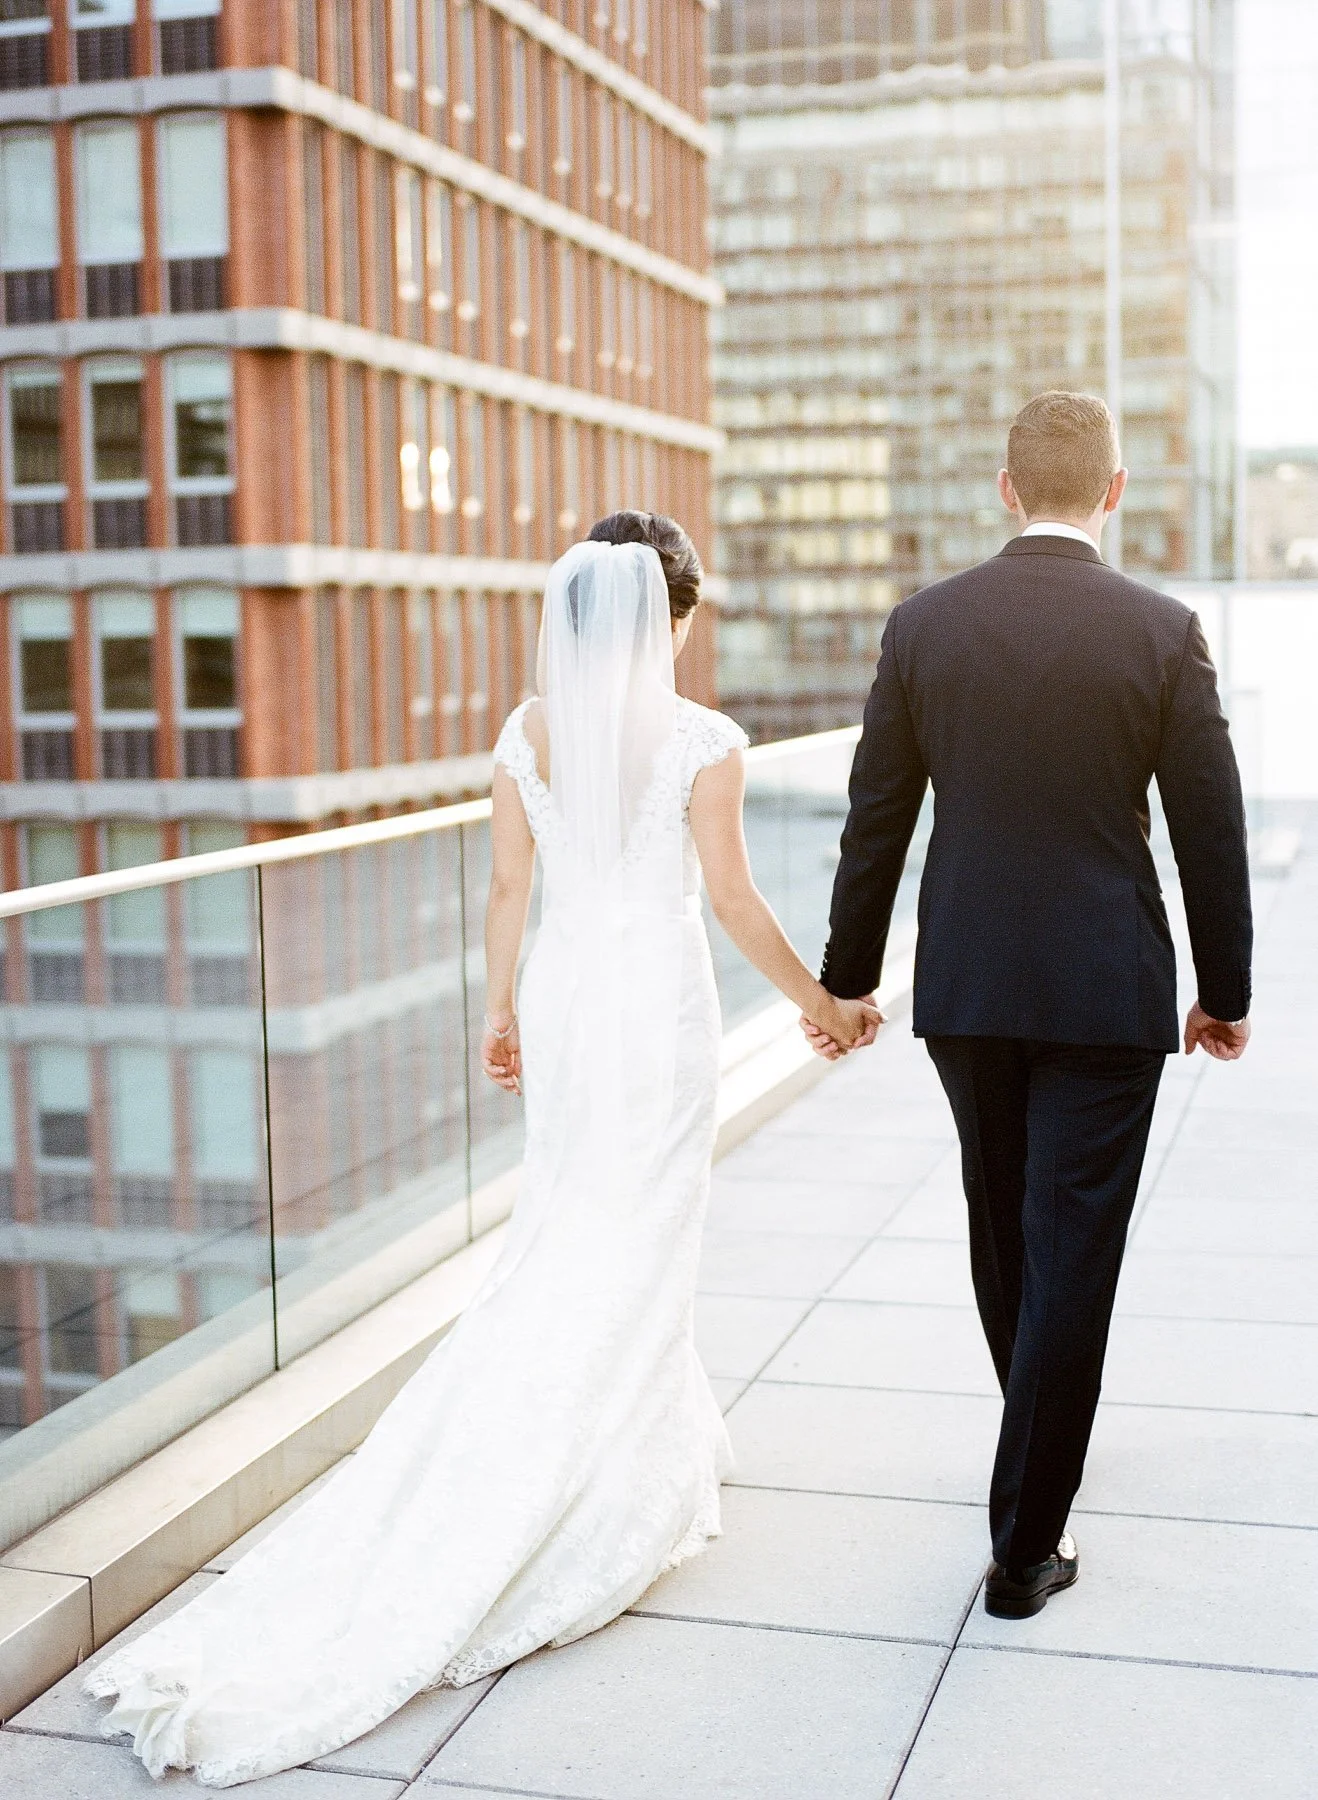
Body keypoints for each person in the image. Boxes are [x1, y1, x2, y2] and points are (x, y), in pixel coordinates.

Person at [85, 511, 878, 1786]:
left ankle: (645, 1436)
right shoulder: (702, 739)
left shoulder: (527, 732)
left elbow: (507, 889)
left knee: (573, 1212)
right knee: (644, 1214)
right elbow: (730, 897)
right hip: (651, 996)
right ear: (669, 619)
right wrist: (819, 1001)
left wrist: (498, 1006)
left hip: (567, 989)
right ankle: (606, 1476)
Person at [805, 391, 1253, 1619]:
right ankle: (1024, 1545)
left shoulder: (923, 626)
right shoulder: (1162, 629)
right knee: (1073, 1251)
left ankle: (1034, 1445)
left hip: (970, 983)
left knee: (1005, 1228)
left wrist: (848, 981)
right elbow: (1211, 829)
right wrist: (1224, 991)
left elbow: (875, 822)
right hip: (1106, 989)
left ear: (1007, 490)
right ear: (1114, 490)